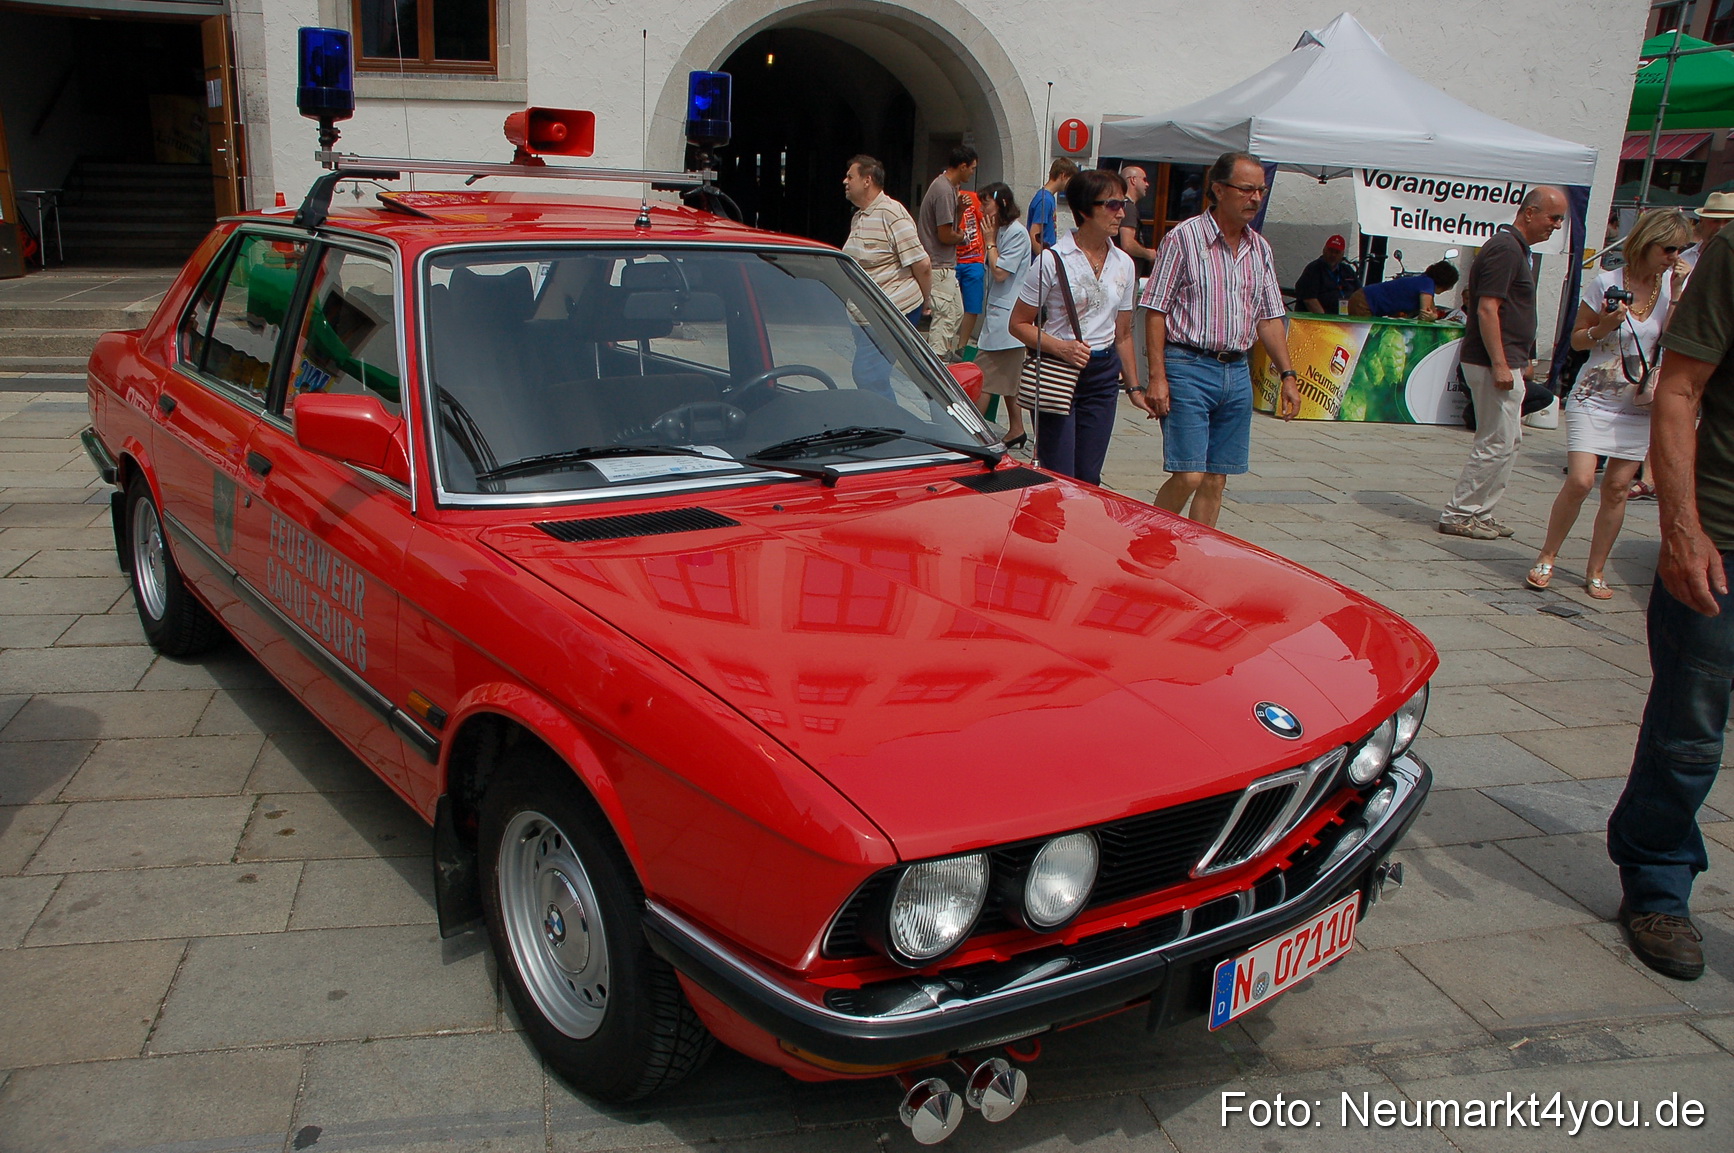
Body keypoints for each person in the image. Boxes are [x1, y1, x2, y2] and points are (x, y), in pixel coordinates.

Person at [1605, 212, 1734, 984]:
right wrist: (1684, 530)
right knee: (1690, 728)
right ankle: (1656, 880)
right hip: (1723, 531)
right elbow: (1679, 389)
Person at [1525, 209, 1691, 597]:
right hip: (1595, 395)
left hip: (1638, 401)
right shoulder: (1607, 282)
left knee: (1617, 488)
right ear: (1647, 244)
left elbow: (1675, 339)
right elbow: (1579, 340)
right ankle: (1547, 555)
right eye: (1668, 248)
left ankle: (1595, 570)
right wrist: (1605, 326)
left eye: (1679, 249)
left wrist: (1679, 293)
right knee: (1581, 479)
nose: (1673, 257)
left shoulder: (1669, 290)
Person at [1136, 151, 1301, 527]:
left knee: (1216, 478)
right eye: (1246, 190)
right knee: (1189, 473)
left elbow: (1269, 318)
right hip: (1188, 365)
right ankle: (1147, 539)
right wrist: (1157, 377)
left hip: (1237, 371)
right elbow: (1156, 311)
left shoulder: (1259, 248)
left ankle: (1196, 557)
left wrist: (1287, 375)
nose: (1255, 199)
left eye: (1261, 190)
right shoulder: (1184, 239)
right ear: (1218, 190)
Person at [1437, 185, 1568, 539]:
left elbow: (1510, 310)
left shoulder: (1515, 250)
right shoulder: (1506, 249)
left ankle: (1480, 510)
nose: (1556, 225)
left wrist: (1520, 357)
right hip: (1491, 360)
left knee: (1509, 439)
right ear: (1529, 212)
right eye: (1553, 217)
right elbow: (1487, 307)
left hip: (1507, 357)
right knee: (1496, 439)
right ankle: (1460, 511)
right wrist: (1499, 361)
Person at [1007, 168, 1137, 484]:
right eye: (1111, 205)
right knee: (1058, 472)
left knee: (1089, 476)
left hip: (1103, 373)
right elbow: (1018, 324)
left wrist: (1134, 387)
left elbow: (1123, 333)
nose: (1120, 213)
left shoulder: (1124, 263)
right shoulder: (1053, 260)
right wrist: (1060, 347)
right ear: (1083, 210)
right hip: (1057, 369)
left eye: (1124, 205)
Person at [842, 155, 932, 398]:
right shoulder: (859, 217)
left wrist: (926, 302)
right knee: (871, 376)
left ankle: (890, 427)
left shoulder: (892, 214)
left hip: (891, 310)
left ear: (867, 180)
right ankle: (879, 418)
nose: (845, 181)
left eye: (850, 176)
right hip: (864, 315)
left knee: (868, 374)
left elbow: (921, 264)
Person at [973, 182, 1032, 447]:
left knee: (984, 378)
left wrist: (989, 243)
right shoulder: (1001, 231)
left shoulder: (1017, 234)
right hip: (999, 317)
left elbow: (1000, 272)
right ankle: (1017, 429)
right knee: (1009, 381)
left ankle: (972, 432)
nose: (982, 208)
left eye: (986, 203)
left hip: (1007, 321)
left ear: (1002, 204)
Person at [917, 145, 979, 359]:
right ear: (962, 166)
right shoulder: (943, 190)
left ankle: (942, 352)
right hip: (939, 264)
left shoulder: (951, 188)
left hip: (946, 264)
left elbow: (949, 227)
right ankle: (938, 357)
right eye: (971, 168)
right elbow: (945, 235)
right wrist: (963, 236)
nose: (972, 172)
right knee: (944, 316)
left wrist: (960, 210)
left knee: (955, 312)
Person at [1348, 261, 1458, 320]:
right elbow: (1426, 314)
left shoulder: (1423, 281)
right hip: (1364, 303)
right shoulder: (1427, 283)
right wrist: (1434, 316)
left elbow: (1431, 309)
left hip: (1362, 297)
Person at [954, 187, 991, 352]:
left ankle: (962, 345)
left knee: (973, 305)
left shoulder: (971, 198)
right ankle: (946, 344)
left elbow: (986, 221)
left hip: (974, 258)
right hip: (951, 258)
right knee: (949, 306)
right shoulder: (942, 199)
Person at [1027, 157, 1079, 260]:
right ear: (1063, 176)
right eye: (1070, 180)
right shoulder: (1045, 200)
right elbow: (1034, 234)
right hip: (1043, 259)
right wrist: (1043, 259)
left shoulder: (1048, 198)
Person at [1295, 234, 1359, 314]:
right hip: (1321, 320)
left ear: (1342, 254)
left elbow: (1359, 294)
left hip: (1346, 319)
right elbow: (1309, 299)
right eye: (1330, 250)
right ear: (1324, 250)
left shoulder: (1347, 270)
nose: (1333, 255)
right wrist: (1325, 320)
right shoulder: (1313, 269)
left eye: (1337, 252)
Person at [1680, 191, 1733, 271]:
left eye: (1727, 221)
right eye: (1715, 221)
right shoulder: (1684, 259)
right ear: (1701, 221)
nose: (1721, 227)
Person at [1115, 165, 1155, 264]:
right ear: (1133, 180)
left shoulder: (1121, 204)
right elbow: (1128, 244)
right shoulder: (1128, 207)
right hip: (1126, 272)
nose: (1147, 184)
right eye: (1144, 180)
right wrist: (1149, 254)